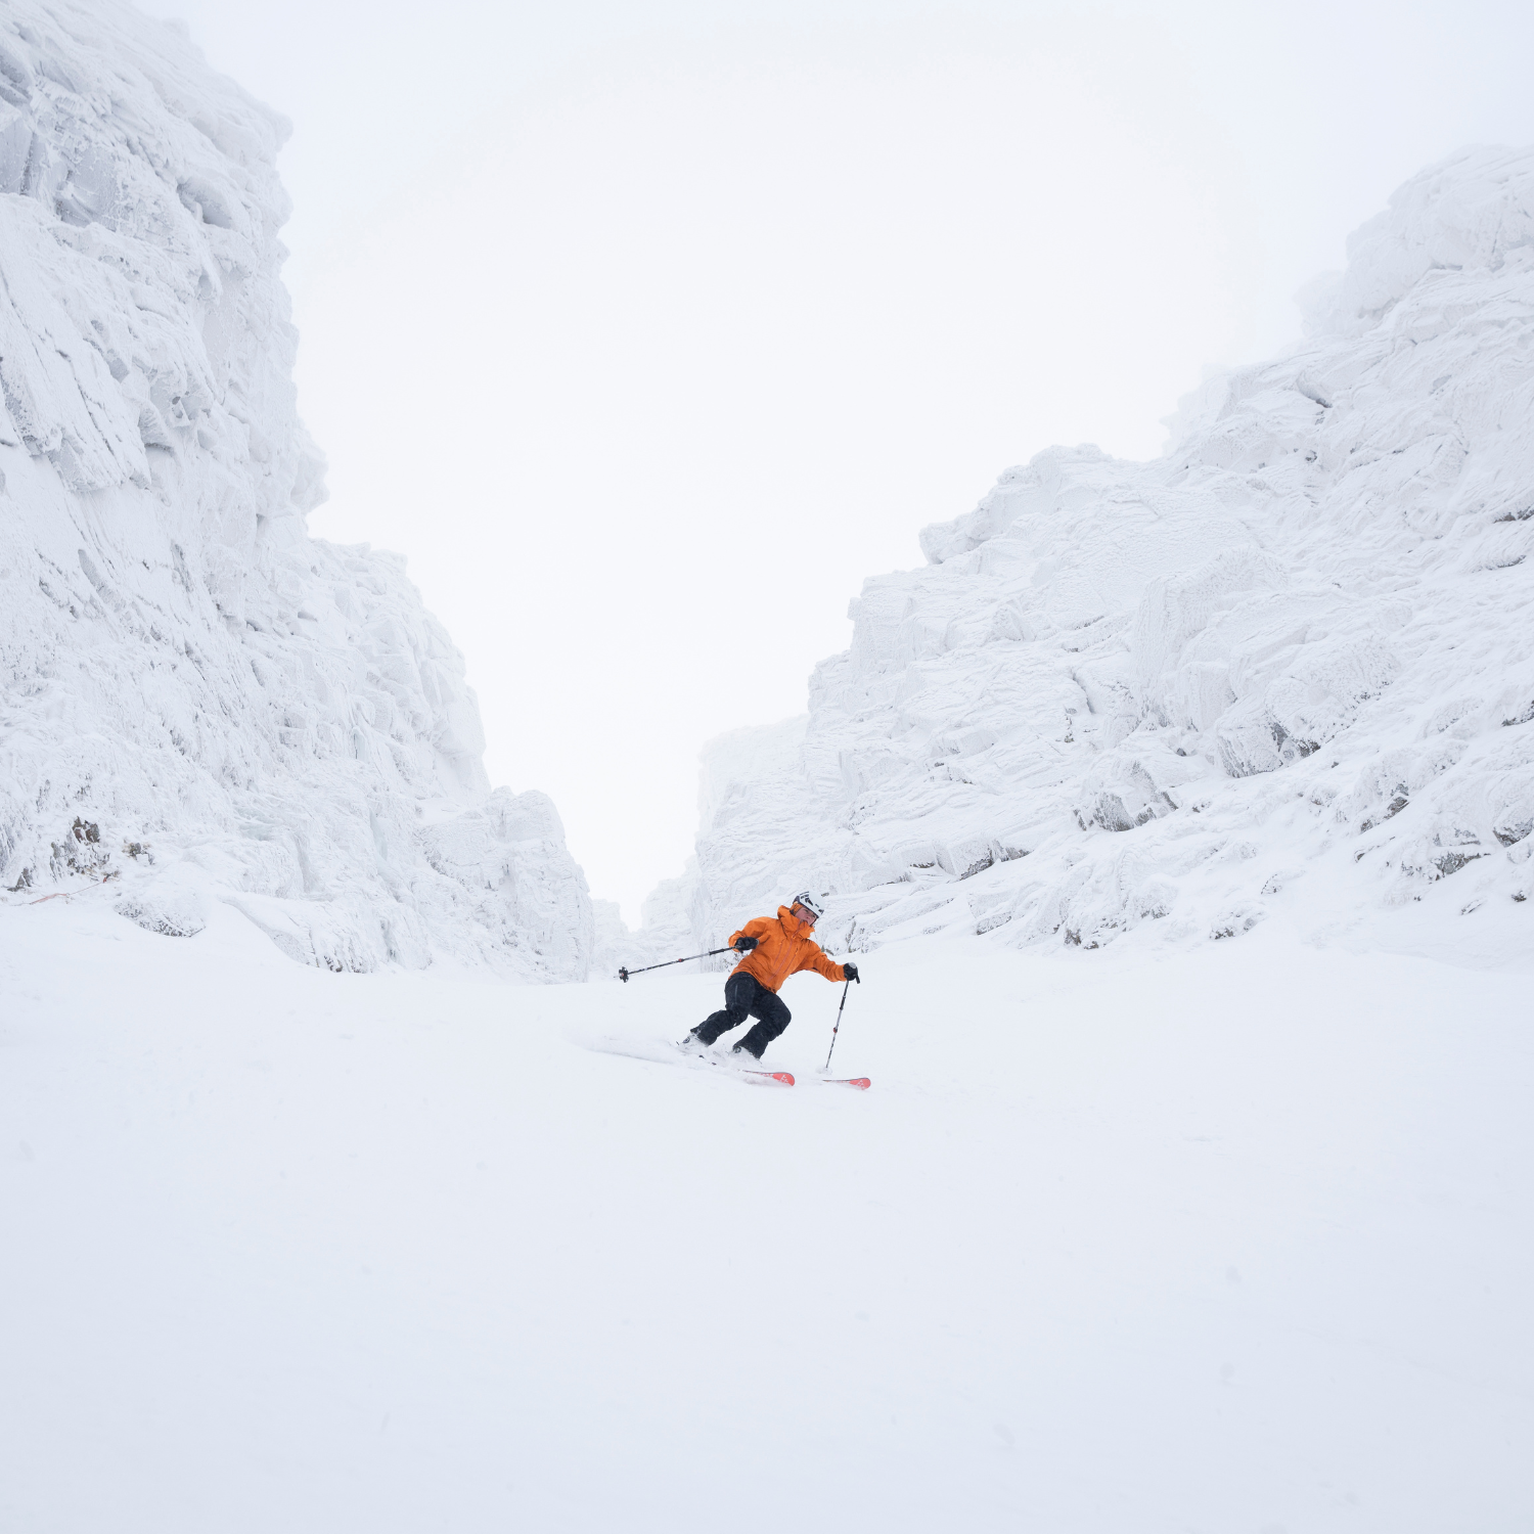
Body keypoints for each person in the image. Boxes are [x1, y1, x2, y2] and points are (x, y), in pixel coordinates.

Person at [684, 891, 859, 1060]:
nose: (808, 917)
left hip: (765, 991)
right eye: (806, 911)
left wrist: (844, 972)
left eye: (813, 916)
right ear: (795, 907)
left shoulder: (807, 948)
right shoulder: (768, 925)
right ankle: (695, 1041)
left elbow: (827, 968)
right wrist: (740, 942)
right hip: (745, 977)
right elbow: (738, 937)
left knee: (780, 1016)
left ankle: (745, 1052)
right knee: (737, 1012)